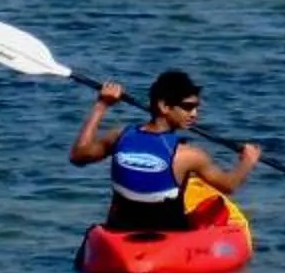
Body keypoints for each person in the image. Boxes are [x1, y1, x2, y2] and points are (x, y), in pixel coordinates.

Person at [69, 69, 260, 232]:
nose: (194, 114)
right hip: (168, 236)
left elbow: (78, 156)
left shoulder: (120, 136)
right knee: (217, 209)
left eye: (196, 108)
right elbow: (229, 186)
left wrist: (101, 105)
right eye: (187, 107)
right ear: (164, 106)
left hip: (120, 230)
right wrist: (247, 162)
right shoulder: (189, 155)